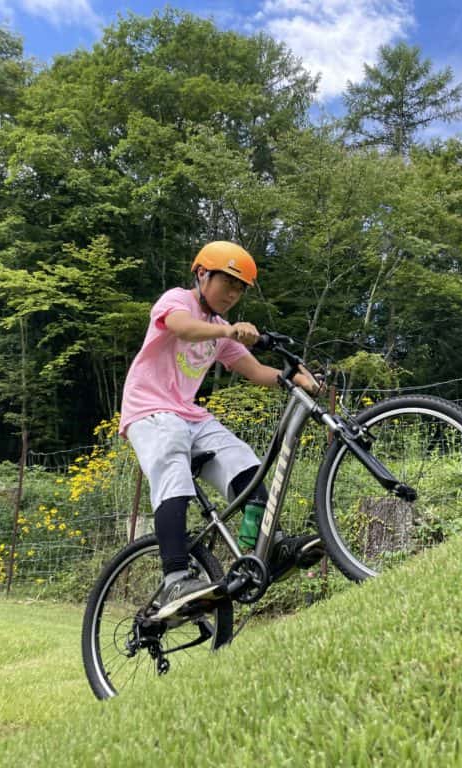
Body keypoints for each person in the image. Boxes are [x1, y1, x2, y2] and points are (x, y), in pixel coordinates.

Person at [120, 240, 324, 619]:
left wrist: (295, 377)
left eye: (239, 289)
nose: (232, 294)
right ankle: (175, 578)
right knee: (173, 458)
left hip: (188, 413)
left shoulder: (217, 329)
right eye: (227, 283)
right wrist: (229, 332)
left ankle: (269, 548)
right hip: (148, 409)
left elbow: (255, 371)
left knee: (244, 461)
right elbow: (182, 327)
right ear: (202, 274)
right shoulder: (178, 301)